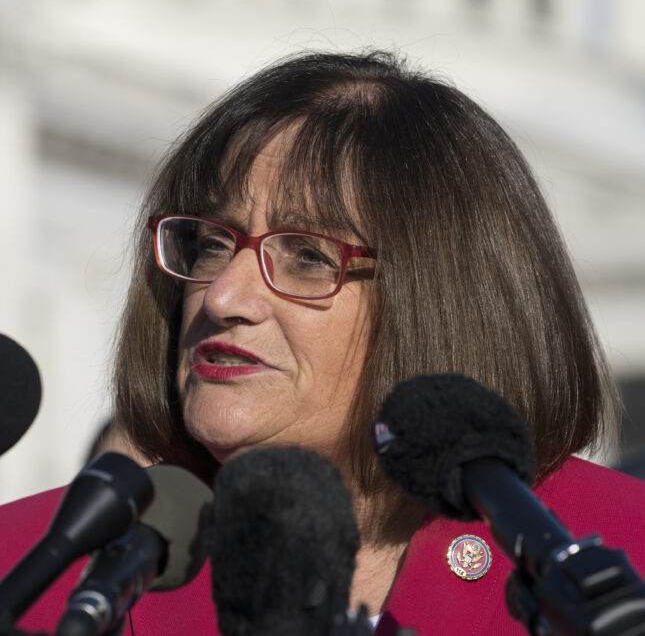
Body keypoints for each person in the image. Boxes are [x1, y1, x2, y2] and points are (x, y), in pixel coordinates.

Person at [1, 50, 644, 636]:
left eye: (308, 255)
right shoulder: (27, 569)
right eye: (212, 242)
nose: (223, 298)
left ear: (444, 299)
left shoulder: (625, 549)